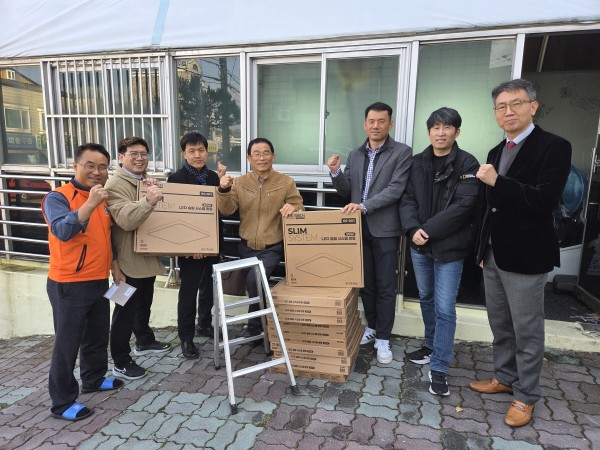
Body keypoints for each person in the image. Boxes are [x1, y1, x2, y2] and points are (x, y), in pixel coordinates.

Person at [470, 79, 571, 427]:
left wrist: (499, 182)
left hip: (527, 255)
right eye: (501, 106)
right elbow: (488, 207)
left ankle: (526, 395)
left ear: (533, 106)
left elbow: (544, 200)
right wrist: (481, 247)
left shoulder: (554, 147)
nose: (508, 111)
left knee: (527, 328)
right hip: (493, 253)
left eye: (516, 103)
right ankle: (504, 376)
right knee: (500, 323)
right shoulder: (496, 151)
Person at [399, 107, 479, 395]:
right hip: (419, 243)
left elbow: (464, 206)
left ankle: (440, 367)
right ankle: (431, 345)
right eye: (436, 127)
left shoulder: (467, 163)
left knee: (445, 308)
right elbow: (406, 199)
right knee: (426, 297)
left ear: (457, 131)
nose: (441, 133)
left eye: (447, 127)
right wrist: (412, 229)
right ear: (429, 131)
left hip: (449, 248)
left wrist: (427, 231)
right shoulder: (417, 162)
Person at [42, 143, 123, 421]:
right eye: (90, 166)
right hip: (69, 283)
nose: (97, 172)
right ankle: (62, 402)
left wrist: (115, 268)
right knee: (67, 344)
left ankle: (93, 378)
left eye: (102, 167)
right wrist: (90, 203)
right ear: (75, 166)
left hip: (99, 279)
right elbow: (62, 231)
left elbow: (106, 238)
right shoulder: (57, 197)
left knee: (98, 335)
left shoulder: (102, 199)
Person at [327, 102, 412, 364]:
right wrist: (335, 172)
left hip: (385, 228)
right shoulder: (355, 154)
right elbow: (347, 190)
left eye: (381, 121)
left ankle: (384, 338)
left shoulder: (402, 152)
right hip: (358, 229)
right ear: (365, 124)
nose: (376, 126)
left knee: (385, 285)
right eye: (371, 121)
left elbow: (395, 189)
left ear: (390, 124)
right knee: (366, 283)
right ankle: (372, 326)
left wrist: (364, 206)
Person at [218, 137, 304, 340]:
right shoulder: (240, 183)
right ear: (249, 158)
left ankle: (254, 327)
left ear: (273, 156)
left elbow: (299, 206)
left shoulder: (285, 182)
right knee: (254, 285)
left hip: (271, 247)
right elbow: (227, 209)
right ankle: (262, 325)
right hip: (245, 246)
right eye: (256, 154)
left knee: (254, 280)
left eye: (266, 153)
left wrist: (293, 208)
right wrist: (223, 190)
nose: (262, 158)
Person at [105, 136, 171, 380]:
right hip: (124, 263)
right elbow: (126, 220)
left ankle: (144, 340)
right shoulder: (114, 185)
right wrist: (148, 199)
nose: (140, 158)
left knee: (144, 304)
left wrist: (150, 189)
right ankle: (120, 361)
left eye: (144, 154)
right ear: (121, 157)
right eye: (133, 153)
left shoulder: (142, 180)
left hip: (145, 258)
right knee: (123, 313)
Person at [167, 132, 225, 359]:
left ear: (207, 152)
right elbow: (175, 216)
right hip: (189, 247)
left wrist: (224, 185)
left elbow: (221, 209)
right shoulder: (176, 179)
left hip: (212, 242)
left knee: (209, 287)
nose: (197, 155)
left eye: (201, 150)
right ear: (184, 154)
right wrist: (191, 246)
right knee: (188, 292)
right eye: (192, 151)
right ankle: (186, 337)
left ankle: (205, 323)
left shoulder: (213, 177)